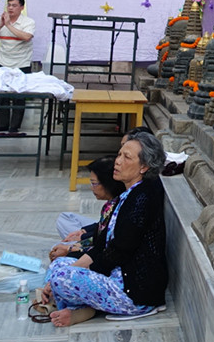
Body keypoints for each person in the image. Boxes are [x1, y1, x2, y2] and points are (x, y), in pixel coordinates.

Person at [35, 131, 169, 326]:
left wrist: (74, 276)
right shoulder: (128, 195)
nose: (118, 161)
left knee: (61, 278)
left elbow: (117, 252)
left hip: (135, 294)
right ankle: (79, 306)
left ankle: (84, 309)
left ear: (144, 167)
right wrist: (73, 269)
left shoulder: (143, 198)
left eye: (127, 157)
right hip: (117, 275)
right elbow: (101, 244)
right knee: (58, 266)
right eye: (119, 154)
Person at [51, 156, 127, 258]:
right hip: (96, 245)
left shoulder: (121, 206)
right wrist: (82, 232)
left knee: (59, 255)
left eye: (94, 183)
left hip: (103, 257)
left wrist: (72, 248)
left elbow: (101, 247)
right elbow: (100, 233)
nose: (91, 187)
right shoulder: (111, 204)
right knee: (64, 218)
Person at [0, 0, 36, 132]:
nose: (10, 8)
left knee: (19, 96)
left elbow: (26, 37)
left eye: (14, 5)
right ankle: (1, 125)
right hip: (3, 62)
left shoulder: (28, 22)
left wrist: (8, 25)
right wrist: (0, 25)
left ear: (22, 8)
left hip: (21, 63)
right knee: (2, 95)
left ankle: (14, 127)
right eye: (9, 5)